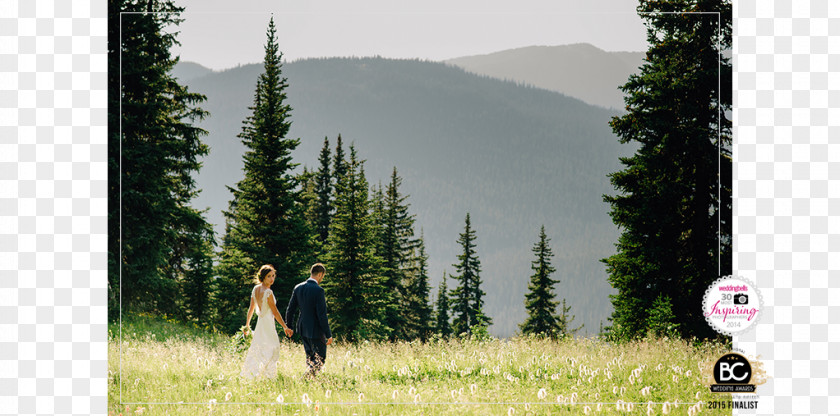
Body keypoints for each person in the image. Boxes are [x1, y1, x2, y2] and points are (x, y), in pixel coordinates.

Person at [240, 264, 294, 379]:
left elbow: (251, 309)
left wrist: (248, 325)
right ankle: (266, 376)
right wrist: (285, 326)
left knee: (260, 347)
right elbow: (275, 312)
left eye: (273, 276)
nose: (272, 279)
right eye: (269, 276)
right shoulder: (268, 292)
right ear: (263, 277)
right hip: (267, 324)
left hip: (261, 323)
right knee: (271, 348)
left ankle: (256, 375)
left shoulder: (255, 289)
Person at [285, 263, 334, 377]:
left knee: (310, 357)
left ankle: (310, 382)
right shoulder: (319, 290)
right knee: (320, 358)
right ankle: (305, 378)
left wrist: (290, 326)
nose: (322, 279)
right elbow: (322, 315)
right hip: (316, 329)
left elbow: (290, 310)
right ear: (320, 274)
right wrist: (328, 334)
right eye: (323, 276)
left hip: (302, 327)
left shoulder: (298, 287)